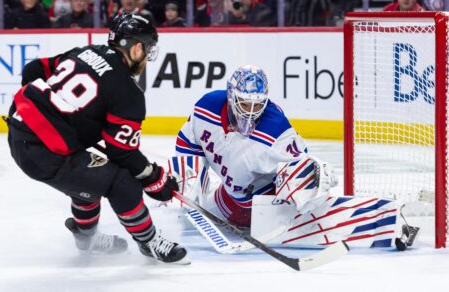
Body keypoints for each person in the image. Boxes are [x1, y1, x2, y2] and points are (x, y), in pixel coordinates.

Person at [6, 13, 189, 264]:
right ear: (136, 48)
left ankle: (86, 238)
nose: (147, 56)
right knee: (122, 182)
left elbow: (33, 69)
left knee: (88, 179)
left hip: (18, 130)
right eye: (147, 49)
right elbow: (121, 153)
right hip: (45, 152)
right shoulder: (128, 91)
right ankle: (149, 242)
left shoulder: (86, 51)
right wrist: (154, 179)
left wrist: (47, 111)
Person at [173, 65, 419, 250]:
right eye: (244, 104)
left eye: (256, 105)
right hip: (227, 201)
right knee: (180, 219)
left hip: (266, 207)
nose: (250, 112)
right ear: (230, 97)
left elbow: (304, 167)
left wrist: (309, 184)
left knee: (307, 192)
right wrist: (189, 191)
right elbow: (187, 143)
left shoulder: (276, 130)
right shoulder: (206, 108)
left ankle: (391, 221)